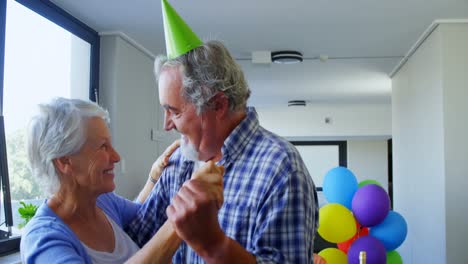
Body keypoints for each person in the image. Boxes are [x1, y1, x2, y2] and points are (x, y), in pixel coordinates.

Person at [126, 2, 318, 262]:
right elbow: (133, 240)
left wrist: (213, 244)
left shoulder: (280, 168)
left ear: (217, 105)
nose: (166, 125)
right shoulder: (178, 163)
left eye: (174, 111)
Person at [20, 97, 224, 263]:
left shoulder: (103, 202)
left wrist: (154, 178)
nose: (116, 157)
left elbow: (144, 213)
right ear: (65, 161)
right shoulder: (43, 239)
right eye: (102, 147)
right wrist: (182, 216)